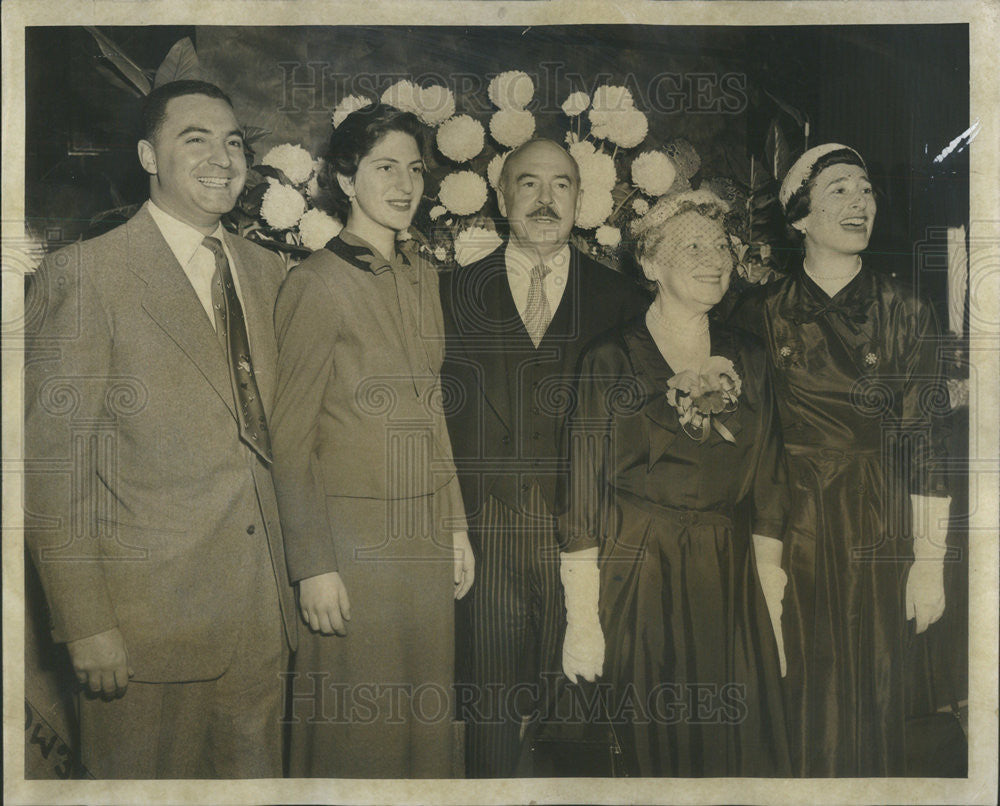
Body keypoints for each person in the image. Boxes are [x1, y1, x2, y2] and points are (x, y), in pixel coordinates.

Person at [23, 80, 298, 778]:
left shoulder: (270, 273)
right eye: (195, 139)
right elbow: (54, 470)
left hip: (262, 625)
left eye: (234, 142)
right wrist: (86, 625)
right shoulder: (86, 275)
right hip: (142, 637)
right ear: (148, 154)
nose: (222, 158)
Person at [730, 143, 952, 776]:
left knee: (873, 687)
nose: (860, 202)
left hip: (873, 519)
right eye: (839, 191)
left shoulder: (905, 311)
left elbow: (923, 442)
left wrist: (929, 562)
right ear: (799, 217)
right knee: (787, 680)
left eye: (867, 189)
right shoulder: (757, 314)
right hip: (784, 520)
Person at [270, 101, 474, 779]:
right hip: (351, 545)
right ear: (345, 178)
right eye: (385, 167)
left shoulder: (422, 274)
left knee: (423, 728)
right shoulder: (315, 283)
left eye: (415, 169)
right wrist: (313, 566)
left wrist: (455, 526)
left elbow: (431, 407)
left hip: (422, 537)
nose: (405, 184)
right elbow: (289, 439)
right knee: (357, 733)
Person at [561, 189, 791, 777]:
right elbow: (581, 496)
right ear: (650, 264)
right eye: (692, 245)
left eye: (720, 244)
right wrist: (582, 620)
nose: (714, 257)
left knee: (735, 747)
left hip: (729, 574)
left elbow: (768, 484)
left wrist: (772, 603)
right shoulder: (609, 358)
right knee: (650, 747)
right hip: (639, 574)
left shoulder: (752, 354)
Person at [439, 137, 649, 777]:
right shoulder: (447, 293)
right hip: (487, 532)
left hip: (586, 536)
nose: (545, 198)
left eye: (561, 184)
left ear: (581, 199)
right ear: (502, 199)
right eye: (527, 183)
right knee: (491, 717)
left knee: (579, 710)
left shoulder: (624, 300)